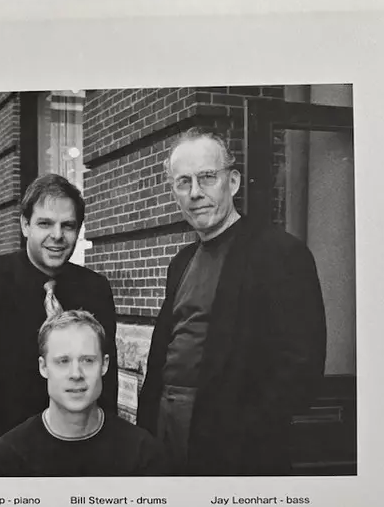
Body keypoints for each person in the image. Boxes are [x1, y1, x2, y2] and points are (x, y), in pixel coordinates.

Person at [137, 128, 327, 476]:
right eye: (183, 182)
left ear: (233, 182)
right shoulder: (180, 262)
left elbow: (302, 368)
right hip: (166, 431)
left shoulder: (280, 253)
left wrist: (242, 430)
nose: (196, 193)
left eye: (207, 177)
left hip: (235, 446)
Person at [0, 174, 118, 477]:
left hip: (83, 457)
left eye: (68, 226)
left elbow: (107, 380)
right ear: (25, 225)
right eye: (45, 223)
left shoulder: (95, 288)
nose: (57, 235)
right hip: (11, 459)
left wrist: (108, 453)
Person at [0, 310, 167, 476]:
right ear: (43, 367)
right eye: (63, 361)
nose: (76, 374)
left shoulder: (141, 453)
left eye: (87, 360)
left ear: (104, 365)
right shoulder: (10, 456)